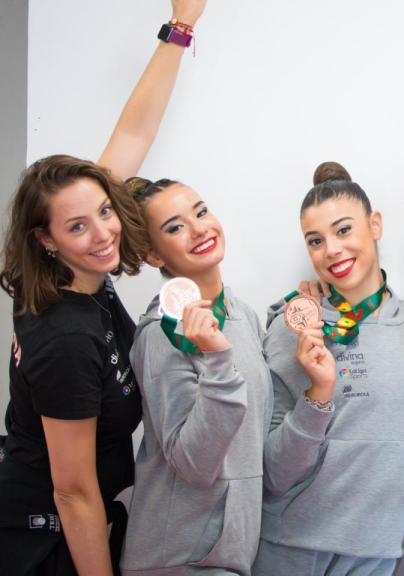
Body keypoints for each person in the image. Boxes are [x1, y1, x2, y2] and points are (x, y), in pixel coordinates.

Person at [0, 1, 205, 573]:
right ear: (45, 239)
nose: (102, 234)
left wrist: (182, 26)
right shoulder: (63, 334)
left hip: (81, 518)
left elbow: (134, 129)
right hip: (43, 536)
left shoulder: (79, 272)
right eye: (77, 227)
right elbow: (73, 493)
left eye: (104, 212)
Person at [253, 163, 404, 575]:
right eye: (315, 240)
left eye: (344, 230)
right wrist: (317, 396)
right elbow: (274, 473)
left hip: (386, 553)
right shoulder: (295, 326)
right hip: (295, 549)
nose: (331, 250)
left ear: (375, 224)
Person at [118, 174, 272, 575]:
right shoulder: (161, 333)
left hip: (229, 556)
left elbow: (254, 437)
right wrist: (218, 360)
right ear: (153, 255)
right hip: (177, 559)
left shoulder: (245, 316)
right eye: (175, 227)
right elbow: (194, 463)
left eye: (200, 212)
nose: (200, 228)